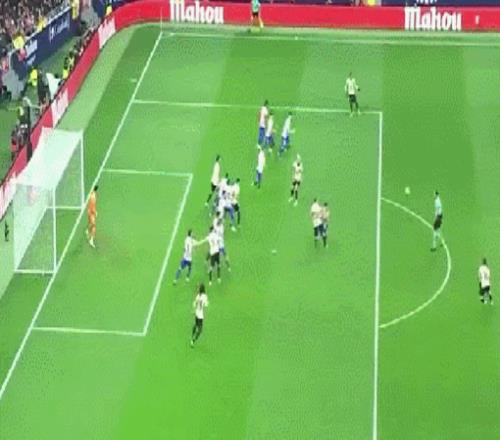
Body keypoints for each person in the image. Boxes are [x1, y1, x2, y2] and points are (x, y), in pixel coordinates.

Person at [191, 283, 209, 347]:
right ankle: (193, 340)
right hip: (200, 314)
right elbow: (206, 305)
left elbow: (194, 303)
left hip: (196, 312)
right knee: (200, 329)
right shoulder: (204, 296)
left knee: (196, 324)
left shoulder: (198, 295)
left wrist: (194, 309)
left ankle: (192, 335)